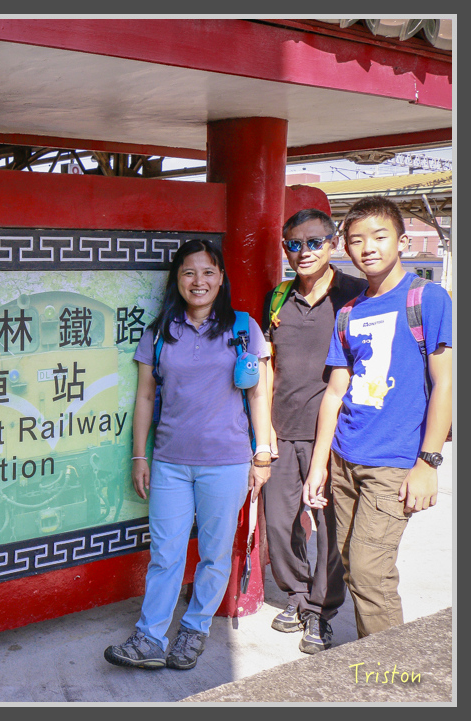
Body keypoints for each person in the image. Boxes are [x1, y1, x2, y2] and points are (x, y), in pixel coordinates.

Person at [104, 239, 272, 671]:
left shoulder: (243, 328)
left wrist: (263, 452)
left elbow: (259, 394)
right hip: (171, 463)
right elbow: (144, 398)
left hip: (228, 460)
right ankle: (150, 638)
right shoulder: (160, 332)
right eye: (189, 272)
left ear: (221, 278)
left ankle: (194, 631)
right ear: (176, 280)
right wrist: (139, 457)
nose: (199, 281)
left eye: (208, 272)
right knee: (166, 553)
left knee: (216, 554)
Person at [304, 195, 451, 638]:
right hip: (346, 457)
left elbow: (446, 383)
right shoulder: (349, 311)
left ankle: (392, 678)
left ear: (402, 241)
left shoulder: (427, 298)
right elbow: (335, 392)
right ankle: (378, 659)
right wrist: (319, 464)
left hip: (393, 462)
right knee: (353, 566)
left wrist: (429, 464)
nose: (368, 247)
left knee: (370, 573)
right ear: (345, 249)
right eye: (356, 240)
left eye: (379, 236)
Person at [260, 209, 366, 654]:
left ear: (334, 242)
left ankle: (321, 613)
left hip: (335, 436)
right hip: (283, 432)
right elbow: (266, 364)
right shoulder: (279, 297)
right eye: (294, 244)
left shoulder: (356, 295)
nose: (303, 252)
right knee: (279, 523)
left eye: (314, 242)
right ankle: (297, 595)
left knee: (329, 529)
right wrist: (263, 427)